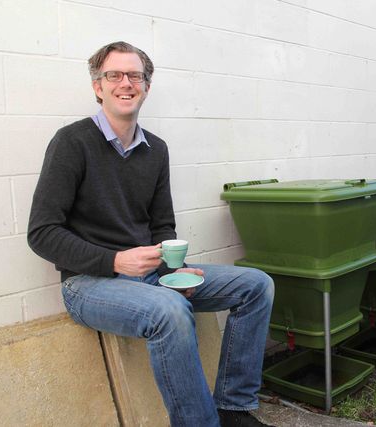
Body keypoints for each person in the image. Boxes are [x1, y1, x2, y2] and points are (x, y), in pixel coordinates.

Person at [28, 41, 274, 427]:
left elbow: (162, 226)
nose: (126, 83)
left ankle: (234, 408)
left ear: (146, 86)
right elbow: (41, 233)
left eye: (135, 75)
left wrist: (175, 270)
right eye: (114, 75)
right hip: (89, 283)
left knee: (256, 285)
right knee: (169, 311)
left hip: (151, 274)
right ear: (98, 87)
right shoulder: (71, 143)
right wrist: (113, 260)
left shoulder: (155, 149)